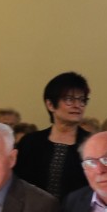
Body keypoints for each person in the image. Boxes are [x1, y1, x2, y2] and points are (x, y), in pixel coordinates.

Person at [14, 71, 93, 200]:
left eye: (82, 100)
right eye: (69, 99)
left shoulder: (92, 144)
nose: (77, 105)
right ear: (50, 104)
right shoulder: (31, 143)